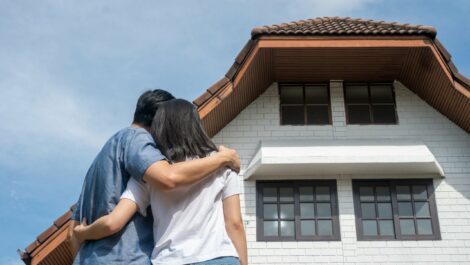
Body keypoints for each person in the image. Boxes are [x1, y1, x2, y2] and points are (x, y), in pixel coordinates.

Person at [69, 90, 241, 265]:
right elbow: (168, 176)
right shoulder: (137, 139)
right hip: (127, 259)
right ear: (159, 120)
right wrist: (222, 158)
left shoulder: (97, 164)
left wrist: (83, 235)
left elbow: (72, 233)